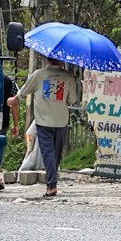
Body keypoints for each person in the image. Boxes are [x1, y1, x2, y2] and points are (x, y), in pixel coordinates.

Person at [23, 53, 82, 197]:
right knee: (55, 153)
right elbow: (73, 99)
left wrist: (15, 98)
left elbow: (25, 91)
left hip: (43, 121)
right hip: (61, 121)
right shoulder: (68, 76)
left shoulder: (39, 74)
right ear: (62, 60)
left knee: (47, 153)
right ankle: (52, 183)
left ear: (46, 59)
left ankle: (51, 185)